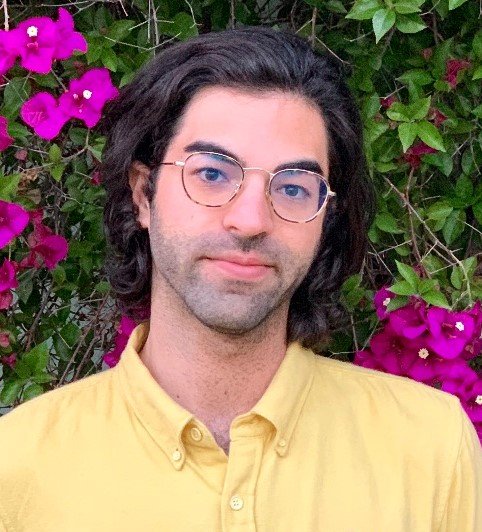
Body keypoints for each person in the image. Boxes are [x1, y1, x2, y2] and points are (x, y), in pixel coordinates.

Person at [0, 26, 480, 531]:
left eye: (293, 187)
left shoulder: (430, 448)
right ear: (143, 194)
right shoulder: (18, 466)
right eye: (211, 174)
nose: (250, 220)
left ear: (325, 219)